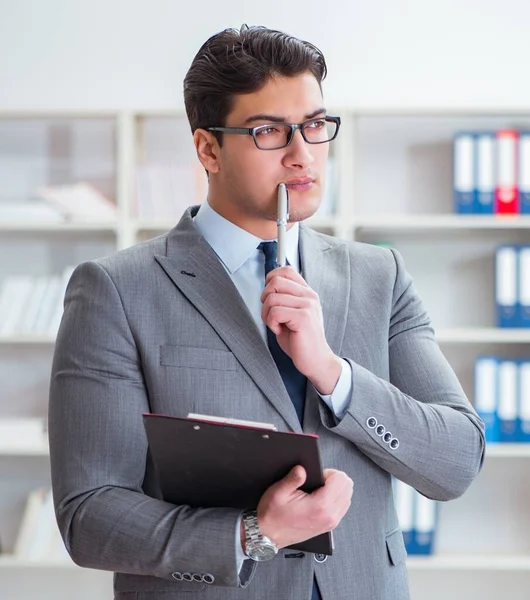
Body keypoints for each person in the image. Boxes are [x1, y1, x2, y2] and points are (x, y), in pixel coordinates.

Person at [48, 24, 485, 600]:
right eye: (268, 132)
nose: (303, 154)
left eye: (314, 126)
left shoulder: (380, 275)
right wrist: (255, 534)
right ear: (208, 149)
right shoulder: (116, 289)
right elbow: (90, 516)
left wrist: (332, 372)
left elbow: (455, 462)